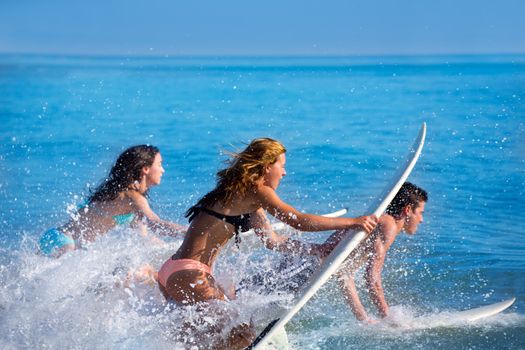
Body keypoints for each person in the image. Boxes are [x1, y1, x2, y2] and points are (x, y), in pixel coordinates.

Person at [157, 137, 378, 349]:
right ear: (266, 166)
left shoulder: (240, 193)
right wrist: (353, 222)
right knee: (242, 334)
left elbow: (273, 241)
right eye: (281, 166)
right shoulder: (258, 190)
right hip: (190, 274)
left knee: (200, 339)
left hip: (171, 272)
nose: (284, 172)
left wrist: (316, 250)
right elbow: (298, 220)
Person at [38, 144, 185, 258]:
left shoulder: (125, 197)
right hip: (65, 242)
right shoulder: (132, 197)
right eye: (159, 164)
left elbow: (147, 236)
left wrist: (173, 251)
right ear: (145, 169)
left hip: (57, 239)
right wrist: (192, 233)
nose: (162, 170)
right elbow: (156, 224)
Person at [336, 182, 428, 323]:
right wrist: (389, 319)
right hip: (310, 266)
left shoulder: (383, 221)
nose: (421, 220)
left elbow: (343, 272)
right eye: (421, 213)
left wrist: (364, 319)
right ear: (408, 209)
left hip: (313, 264)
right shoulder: (388, 224)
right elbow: (372, 278)